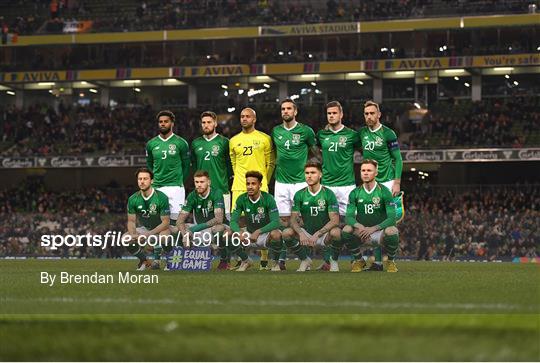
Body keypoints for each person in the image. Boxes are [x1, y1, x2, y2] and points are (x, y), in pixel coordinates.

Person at [271, 98, 318, 269]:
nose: (285, 111)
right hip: (281, 183)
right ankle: (282, 261)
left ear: (295, 111)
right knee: (282, 223)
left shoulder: (306, 131)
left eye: (289, 108)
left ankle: (314, 257)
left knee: (302, 222)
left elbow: (316, 153)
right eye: (283, 109)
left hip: (300, 183)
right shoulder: (275, 131)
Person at [359, 100, 404, 269]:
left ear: (379, 115)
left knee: (390, 224)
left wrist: (397, 182)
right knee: (374, 223)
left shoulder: (388, 133)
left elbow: (398, 158)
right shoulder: (361, 133)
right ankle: (377, 262)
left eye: (372, 113)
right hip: (371, 183)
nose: (369, 116)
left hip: (387, 181)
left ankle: (391, 260)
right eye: (366, 114)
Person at [316, 100, 361, 268]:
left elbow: (363, 150)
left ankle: (357, 258)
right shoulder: (322, 135)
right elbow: (315, 150)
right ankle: (329, 261)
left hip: (347, 186)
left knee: (351, 225)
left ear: (341, 115)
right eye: (329, 113)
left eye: (334, 113)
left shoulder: (352, 135)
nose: (332, 116)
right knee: (327, 226)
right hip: (327, 185)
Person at [229, 107, 275, 269]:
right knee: (239, 222)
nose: (244, 119)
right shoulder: (233, 140)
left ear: (254, 119)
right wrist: (242, 180)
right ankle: (244, 259)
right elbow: (234, 164)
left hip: (260, 187)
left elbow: (270, 163)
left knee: (263, 221)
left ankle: (264, 260)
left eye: (248, 116)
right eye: (242, 116)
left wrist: (264, 182)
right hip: (239, 187)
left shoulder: (265, 138)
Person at [282, 162, 341, 272]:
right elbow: (293, 219)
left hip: (324, 235)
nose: (309, 175)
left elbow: (335, 220)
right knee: (286, 233)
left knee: (337, 232)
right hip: (307, 234)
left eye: (313, 173)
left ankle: (333, 260)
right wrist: (301, 233)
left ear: (320, 175)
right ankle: (305, 259)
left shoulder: (328, 194)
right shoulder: (299, 194)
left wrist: (318, 234)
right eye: (307, 173)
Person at [342, 159, 399, 272]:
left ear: (376, 173)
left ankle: (391, 261)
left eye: (369, 170)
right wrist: (360, 226)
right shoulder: (355, 193)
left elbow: (392, 218)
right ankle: (359, 260)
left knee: (392, 231)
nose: (366, 173)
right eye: (363, 170)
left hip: (379, 233)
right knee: (346, 229)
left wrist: (373, 228)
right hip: (362, 233)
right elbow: (348, 217)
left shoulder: (385, 192)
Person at [228, 171, 282, 272]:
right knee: (227, 234)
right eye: (248, 184)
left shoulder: (268, 198)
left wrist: (258, 231)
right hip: (248, 235)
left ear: (260, 185)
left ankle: (275, 263)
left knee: (277, 234)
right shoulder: (241, 199)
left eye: (253, 184)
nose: (250, 186)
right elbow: (233, 222)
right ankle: (245, 261)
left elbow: (276, 222)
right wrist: (239, 232)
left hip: (265, 236)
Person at [145, 110, 191, 227]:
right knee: (157, 221)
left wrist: (180, 180)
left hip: (176, 187)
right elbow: (149, 164)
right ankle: (160, 245)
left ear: (172, 123)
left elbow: (186, 166)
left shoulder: (181, 143)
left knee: (176, 222)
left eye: (166, 121)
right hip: (157, 187)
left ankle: (177, 245)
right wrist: (154, 179)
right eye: (160, 122)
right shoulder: (151, 144)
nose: (163, 124)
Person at [176, 170, 228, 269]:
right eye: (197, 182)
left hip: (214, 228)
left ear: (209, 182)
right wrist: (185, 235)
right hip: (200, 229)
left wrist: (194, 229)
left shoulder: (217, 193)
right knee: (176, 229)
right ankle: (184, 259)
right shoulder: (192, 196)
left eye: (202, 182)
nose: (199, 185)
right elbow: (180, 220)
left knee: (219, 229)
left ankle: (224, 260)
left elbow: (219, 219)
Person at [125, 168, 172, 270]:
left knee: (164, 237)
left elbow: (166, 222)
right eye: (140, 179)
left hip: (161, 229)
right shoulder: (133, 199)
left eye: (145, 179)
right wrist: (133, 234)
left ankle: (170, 259)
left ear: (152, 181)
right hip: (145, 228)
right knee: (126, 238)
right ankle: (144, 261)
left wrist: (149, 234)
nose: (142, 181)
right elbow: (131, 221)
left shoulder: (161, 197)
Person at [191, 111, 232, 219]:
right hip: (201, 192)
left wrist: (225, 181)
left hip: (221, 189)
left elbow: (230, 165)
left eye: (209, 122)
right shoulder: (195, 143)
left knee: (224, 226)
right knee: (201, 226)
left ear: (215, 123)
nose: (206, 125)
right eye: (203, 122)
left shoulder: (224, 142)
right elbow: (194, 166)